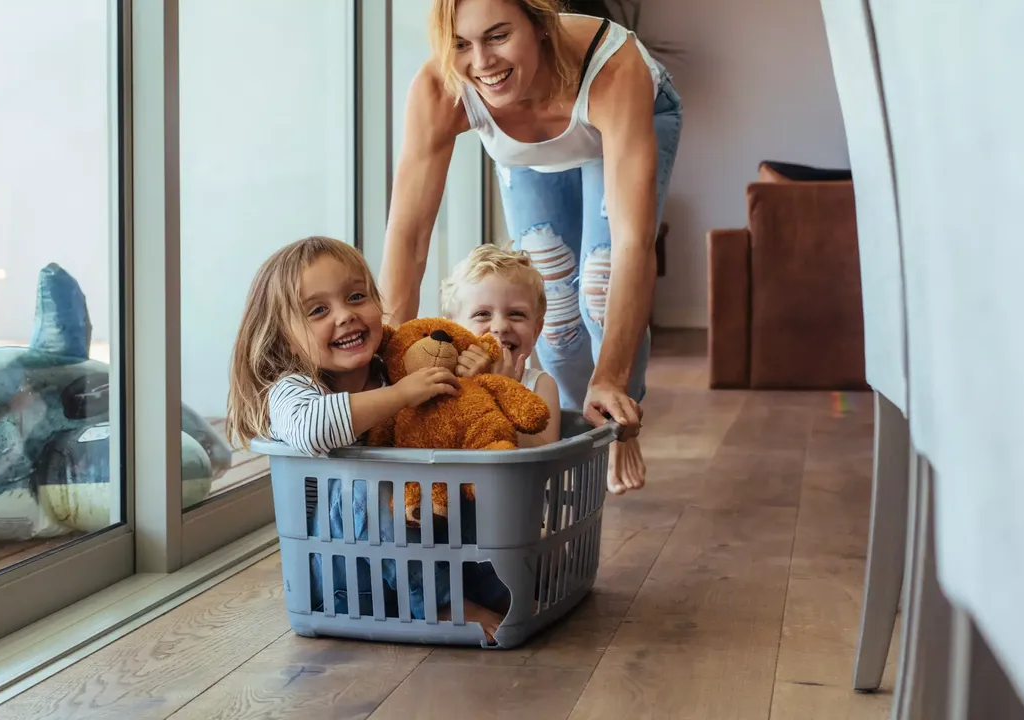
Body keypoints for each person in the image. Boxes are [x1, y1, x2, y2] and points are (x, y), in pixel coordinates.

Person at [378, 0, 683, 494]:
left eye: (498, 36)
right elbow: (409, 235)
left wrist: (611, 378)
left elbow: (633, 242)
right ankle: (557, 441)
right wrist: (389, 369)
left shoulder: (612, 65)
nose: (482, 62)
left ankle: (616, 416)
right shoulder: (442, 87)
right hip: (531, 154)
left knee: (599, 285)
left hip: (620, 114)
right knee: (554, 314)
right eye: (461, 44)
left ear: (540, 25)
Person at [227, 235, 506, 643]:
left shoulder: (394, 369)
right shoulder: (293, 389)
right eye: (318, 310)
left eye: (357, 297)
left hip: (417, 561)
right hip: (344, 578)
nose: (345, 316)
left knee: (457, 483)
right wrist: (402, 394)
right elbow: (312, 429)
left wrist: (470, 377)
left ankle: (499, 590)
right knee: (368, 481)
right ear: (283, 337)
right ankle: (443, 604)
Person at [441, 243, 561, 448]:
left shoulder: (540, 386)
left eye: (516, 314)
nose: (500, 327)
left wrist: (501, 390)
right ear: (453, 329)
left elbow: (544, 455)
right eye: (482, 314)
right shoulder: (443, 379)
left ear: (536, 330)